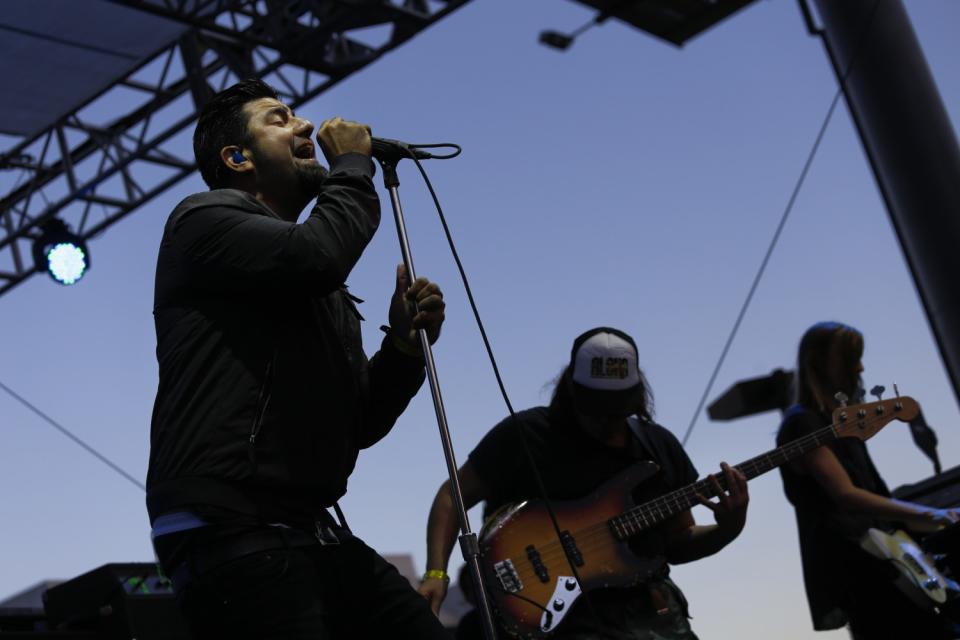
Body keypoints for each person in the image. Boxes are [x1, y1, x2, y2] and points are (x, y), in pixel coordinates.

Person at [146, 78, 450, 639]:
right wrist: (354, 166)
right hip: (232, 527)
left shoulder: (324, 291)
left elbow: (359, 423)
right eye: (280, 118)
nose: (305, 126)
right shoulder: (201, 221)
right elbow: (317, 255)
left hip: (310, 529)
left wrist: (404, 346)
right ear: (237, 157)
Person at [419, 327, 750, 639]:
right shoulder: (527, 435)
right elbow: (452, 495)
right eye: (596, 409)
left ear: (636, 398)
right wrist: (436, 573)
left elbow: (678, 540)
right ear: (572, 390)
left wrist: (728, 527)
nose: (606, 420)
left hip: (647, 616)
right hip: (552, 619)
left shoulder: (658, 446)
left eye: (616, 409)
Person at [776, 321, 960, 639]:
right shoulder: (802, 424)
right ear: (821, 362)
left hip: (884, 556)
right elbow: (845, 494)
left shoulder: (842, 422)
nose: (860, 366)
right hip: (860, 566)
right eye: (850, 357)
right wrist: (932, 514)